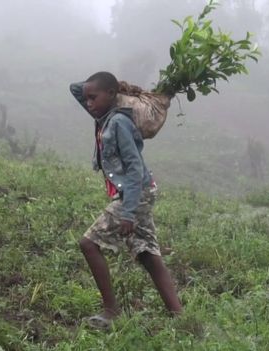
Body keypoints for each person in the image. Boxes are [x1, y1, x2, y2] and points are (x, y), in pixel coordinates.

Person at [70, 72, 182, 329]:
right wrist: (115, 89)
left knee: (88, 244)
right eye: (86, 99)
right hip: (141, 191)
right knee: (147, 254)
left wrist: (128, 212)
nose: (88, 103)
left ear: (111, 95)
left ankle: (111, 311)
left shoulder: (118, 122)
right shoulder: (103, 115)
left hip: (136, 193)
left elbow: (134, 169)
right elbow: (76, 89)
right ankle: (179, 316)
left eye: (93, 98)